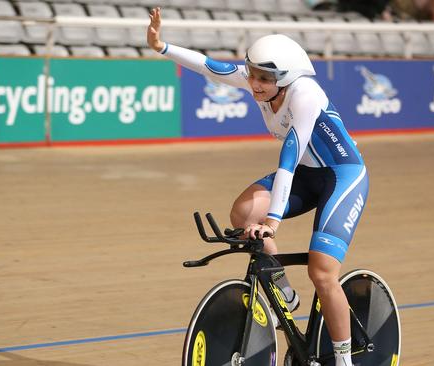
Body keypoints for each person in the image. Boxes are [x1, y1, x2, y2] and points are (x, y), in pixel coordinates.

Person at [147, 7, 369, 366]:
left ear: (285, 78)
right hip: (307, 176)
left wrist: (273, 224)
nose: (253, 84)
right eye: (251, 73)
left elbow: (288, 160)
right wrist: (161, 46)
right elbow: (210, 67)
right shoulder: (262, 82)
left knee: (322, 271)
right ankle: (283, 289)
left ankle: (343, 361)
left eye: (263, 78)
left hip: (342, 175)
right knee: (243, 211)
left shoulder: (305, 95)